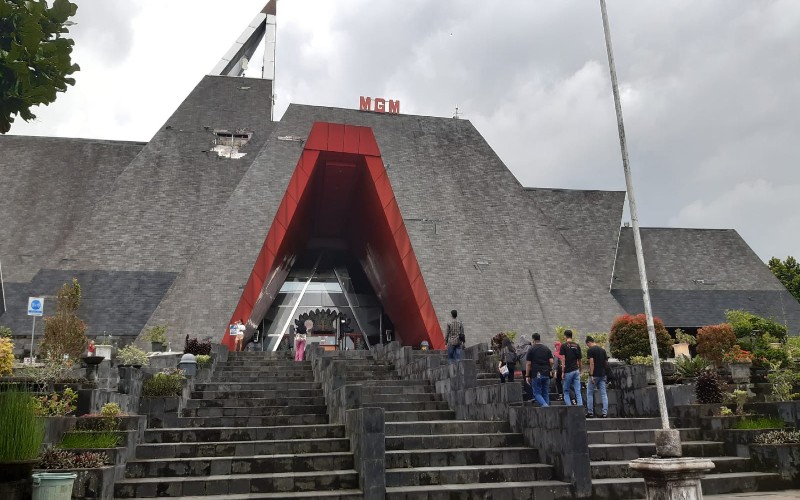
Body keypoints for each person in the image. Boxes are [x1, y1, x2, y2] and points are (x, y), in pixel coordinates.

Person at [525, 333, 554, 407]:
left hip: (536, 373)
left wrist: (527, 375)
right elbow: (551, 361)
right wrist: (550, 369)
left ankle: (545, 406)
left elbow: (528, 364)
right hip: (546, 373)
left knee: (536, 393)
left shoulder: (531, 349)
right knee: (545, 392)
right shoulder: (546, 348)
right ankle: (547, 411)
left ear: (533, 340)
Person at [586, 335, 609, 418]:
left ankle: (590, 412)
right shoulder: (603, 350)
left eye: (587, 344)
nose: (587, 346)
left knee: (589, 393)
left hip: (594, 375)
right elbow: (606, 363)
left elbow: (592, 363)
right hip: (603, 374)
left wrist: (591, 375)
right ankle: (605, 413)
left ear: (589, 342)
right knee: (603, 394)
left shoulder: (590, 350)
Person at [559, 330, 583, 407]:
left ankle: (569, 408)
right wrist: (580, 370)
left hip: (568, 371)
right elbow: (579, 359)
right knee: (577, 391)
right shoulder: (577, 345)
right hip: (576, 370)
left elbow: (563, 359)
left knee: (566, 391)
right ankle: (580, 407)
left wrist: (562, 371)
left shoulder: (563, 346)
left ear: (565, 336)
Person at [516, 335, 533, 401]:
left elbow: (517, 356)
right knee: (532, 379)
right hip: (531, 366)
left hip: (523, 367)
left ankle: (529, 395)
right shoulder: (529, 347)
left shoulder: (519, 348)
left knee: (526, 380)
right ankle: (533, 395)